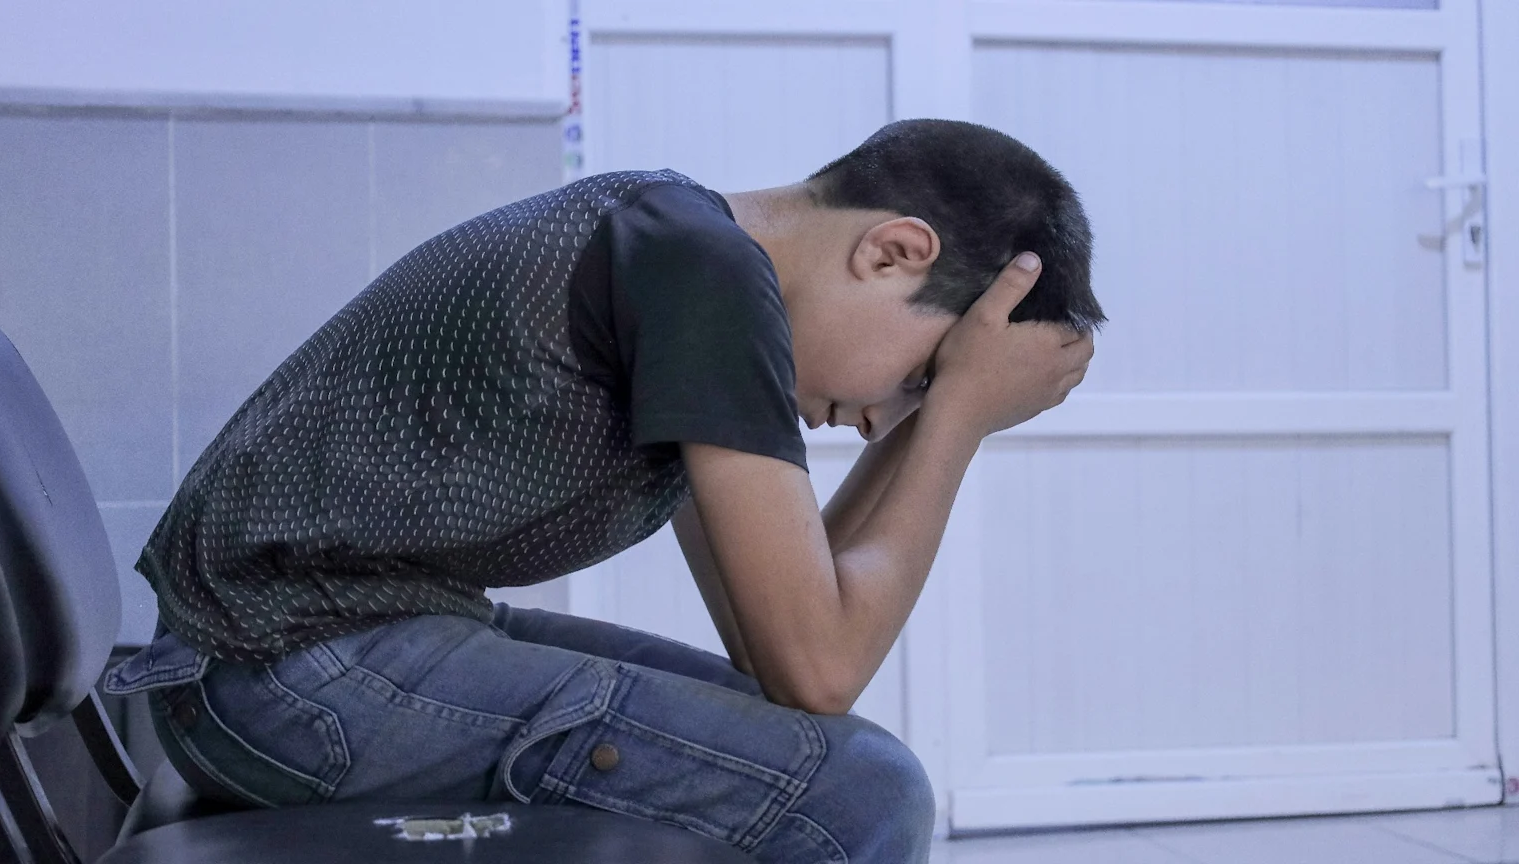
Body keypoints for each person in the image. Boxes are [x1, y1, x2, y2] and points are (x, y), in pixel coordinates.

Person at [105, 119, 1103, 863]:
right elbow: (821, 663)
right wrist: (963, 417)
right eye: (918, 377)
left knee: (816, 754)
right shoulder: (703, 275)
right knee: (862, 794)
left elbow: (780, 641)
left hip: (291, 658)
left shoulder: (684, 249)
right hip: (284, 676)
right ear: (892, 250)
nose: (886, 418)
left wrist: (942, 405)